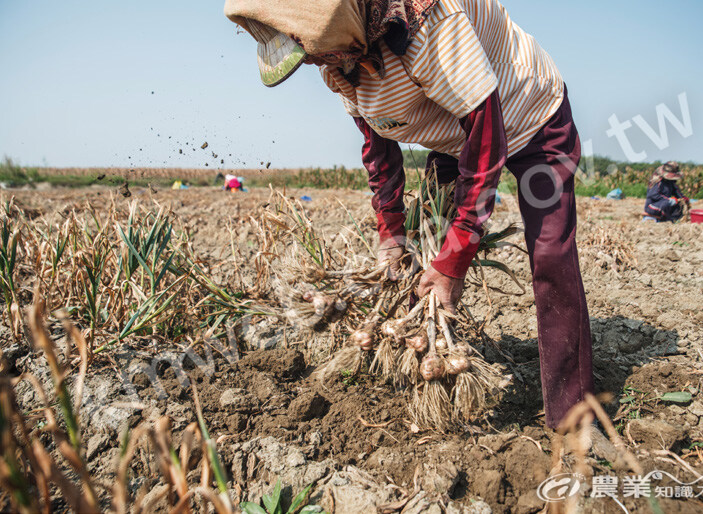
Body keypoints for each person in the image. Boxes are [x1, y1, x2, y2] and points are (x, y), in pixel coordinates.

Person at [224, 0, 593, 430]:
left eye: (312, 52)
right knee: (422, 251)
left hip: (528, 114)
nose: (314, 64)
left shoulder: (433, 26)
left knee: (549, 252)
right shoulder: (340, 63)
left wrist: (457, 259)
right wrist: (391, 233)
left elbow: (486, 134)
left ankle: (575, 415)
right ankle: (427, 365)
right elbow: (378, 150)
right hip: (456, 135)